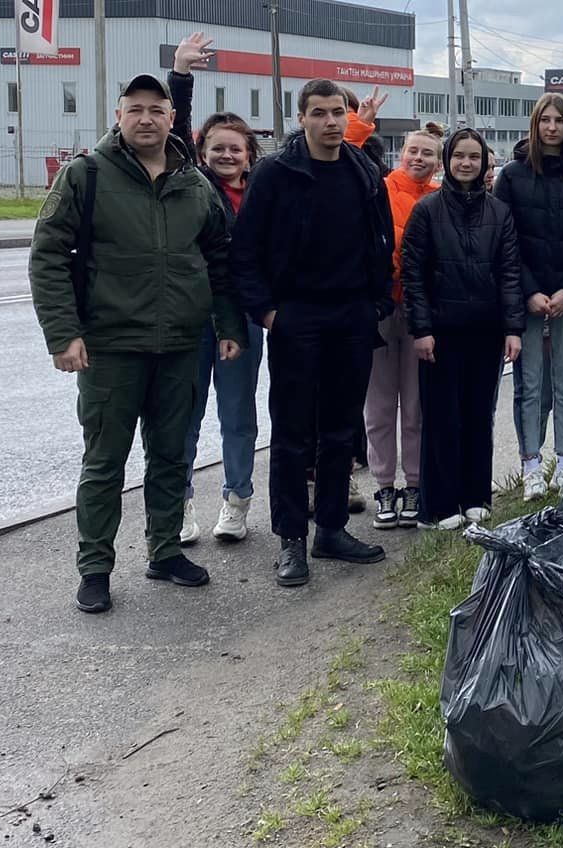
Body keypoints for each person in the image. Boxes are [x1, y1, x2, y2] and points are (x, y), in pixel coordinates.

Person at [29, 71, 245, 615]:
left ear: (172, 118)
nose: (146, 118)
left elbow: (219, 261)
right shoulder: (87, 176)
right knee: (105, 462)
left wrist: (228, 326)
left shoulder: (194, 184)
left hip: (179, 345)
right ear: (119, 115)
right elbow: (48, 256)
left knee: (172, 457)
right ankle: (95, 568)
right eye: (135, 109)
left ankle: (165, 551)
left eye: (157, 109)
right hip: (109, 347)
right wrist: (64, 334)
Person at [231, 78, 396, 587]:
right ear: (301, 118)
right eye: (319, 113)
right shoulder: (275, 174)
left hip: (351, 317)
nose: (330, 122)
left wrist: (374, 306)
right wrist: (267, 313)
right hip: (295, 318)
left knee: (342, 430)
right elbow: (246, 252)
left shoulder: (363, 171)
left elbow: (381, 240)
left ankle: (330, 528)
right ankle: (291, 541)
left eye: (337, 113)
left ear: (348, 118)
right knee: (293, 433)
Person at [402, 129, 525, 529]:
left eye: (475, 157)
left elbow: (508, 273)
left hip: (485, 330)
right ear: (447, 161)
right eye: (460, 156)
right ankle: (439, 505)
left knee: (477, 415)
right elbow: (413, 276)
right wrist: (421, 329)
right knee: (441, 417)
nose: (467, 164)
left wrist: (512, 327)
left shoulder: (499, 212)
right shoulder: (427, 210)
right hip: (440, 331)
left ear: (486, 164)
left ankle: (476, 496)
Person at [492, 94, 563, 498]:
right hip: (528, 299)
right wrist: (530, 291)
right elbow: (506, 242)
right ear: (535, 125)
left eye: (560, 120)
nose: (552, 127)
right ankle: (531, 465)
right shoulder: (511, 177)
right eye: (545, 120)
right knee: (530, 385)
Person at [181, 111, 264, 544]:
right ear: (202, 153)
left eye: (236, 148)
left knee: (237, 413)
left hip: (246, 318)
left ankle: (237, 502)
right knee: (184, 414)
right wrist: (181, 77)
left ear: (249, 155)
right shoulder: (192, 189)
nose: (227, 155)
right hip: (195, 317)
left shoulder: (261, 194)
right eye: (218, 148)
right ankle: (180, 502)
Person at [363, 125, 442, 530]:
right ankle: (382, 485)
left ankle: (413, 482)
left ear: (437, 161)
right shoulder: (378, 188)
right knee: (378, 406)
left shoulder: (439, 200)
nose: (419, 158)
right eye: (413, 150)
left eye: (427, 153)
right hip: (380, 308)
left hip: (418, 312)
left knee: (414, 406)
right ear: (401, 153)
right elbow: (348, 153)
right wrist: (362, 122)